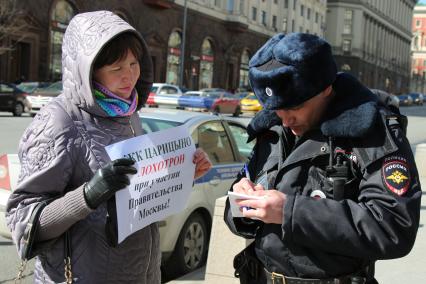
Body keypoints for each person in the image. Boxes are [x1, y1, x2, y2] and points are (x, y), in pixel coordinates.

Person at [6, 11, 211, 283]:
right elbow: (23, 221)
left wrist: (181, 174)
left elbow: (136, 195)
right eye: (117, 68)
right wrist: (89, 194)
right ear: (88, 70)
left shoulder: (128, 111)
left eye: (134, 64)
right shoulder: (59, 120)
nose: (130, 76)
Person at [224, 33, 421, 284]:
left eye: (294, 107)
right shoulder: (272, 129)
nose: (285, 120)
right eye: (275, 108)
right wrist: (242, 204)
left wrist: (289, 212)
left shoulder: (371, 131)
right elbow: (237, 201)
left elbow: (394, 227)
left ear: (325, 89)